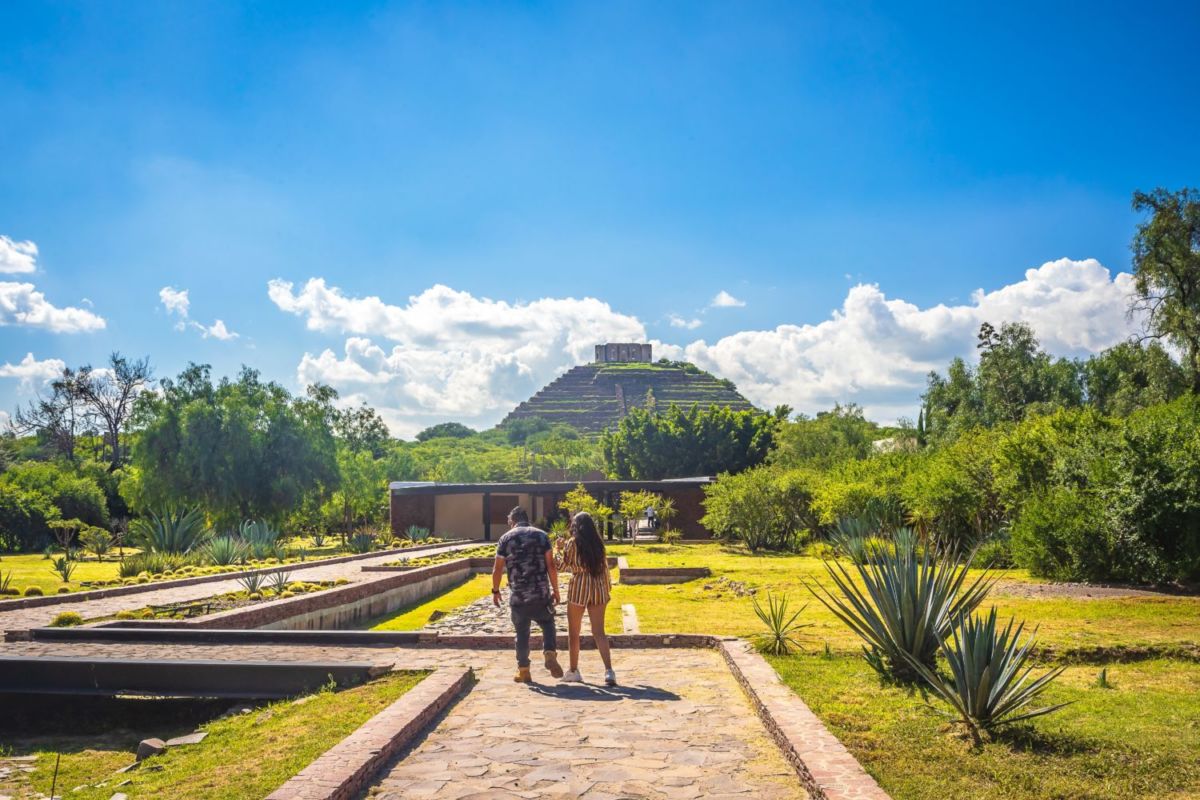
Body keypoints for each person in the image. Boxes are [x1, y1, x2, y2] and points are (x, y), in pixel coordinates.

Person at [492, 505, 564, 683]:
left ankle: (524, 670)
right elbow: (551, 566)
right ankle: (549, 652)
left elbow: (497, 569)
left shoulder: (505, 539)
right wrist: (556, 590)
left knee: (522, 634)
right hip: (541, 593)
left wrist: (495, 590)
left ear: (513, 520)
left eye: (509, 521)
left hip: (519, 596)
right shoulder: (542, 536)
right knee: (548, 623)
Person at [555, 511, 616, 686]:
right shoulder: (598, 544)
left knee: (574, 633)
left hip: (579, 588)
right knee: (599, 632)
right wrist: (607, 589)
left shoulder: (572, 544)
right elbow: (604, 568)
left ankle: (574, 670)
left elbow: (560, 566)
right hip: (598, 587)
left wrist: (558, 549)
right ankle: (609, 671)